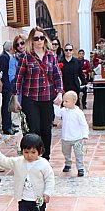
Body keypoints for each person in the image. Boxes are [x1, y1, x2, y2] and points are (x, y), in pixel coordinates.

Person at [12, 27, 64, 160]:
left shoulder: (51, 55)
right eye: (36, 38)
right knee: (33, 129)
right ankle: (32, 157)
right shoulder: (26, 57)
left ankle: (45, 158)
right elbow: (18, 79)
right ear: (31, 40)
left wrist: (59, 94)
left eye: (42, 38)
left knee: (46, 129)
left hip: (47, 98)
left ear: (45, 39)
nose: (39, 41)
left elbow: (57, 76)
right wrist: (16, 98)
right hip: (31, 98)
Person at [54, 91, 89, 177]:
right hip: (66, 137)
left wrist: (85, 135)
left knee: (79, 153)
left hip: (77, 137)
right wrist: (56, 105)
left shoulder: (78, 112)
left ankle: (80, 167)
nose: (64, 103)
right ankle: (68, 163)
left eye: (66, 101)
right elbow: (57, 113)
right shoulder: (64, 111)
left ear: (74, 101)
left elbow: (83, 124)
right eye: (64, 101)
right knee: (65, 151)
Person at [0, 41, 15, 134]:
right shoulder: (4, 57)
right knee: (6, 106)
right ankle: (6, 126)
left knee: (9, 105)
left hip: (8, 85)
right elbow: (3, 71)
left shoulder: (8, 56)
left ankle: (9, 123)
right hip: (6, 85)